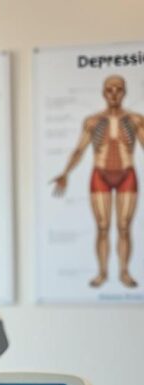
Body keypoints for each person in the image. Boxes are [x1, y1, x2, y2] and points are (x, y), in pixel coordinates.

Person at [52, 75, 144, 289]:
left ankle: (123, 272)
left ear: (124, 92)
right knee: (102, 227)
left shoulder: (136, 120)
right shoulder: (92, 121)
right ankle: (102, 272)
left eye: (118, 89)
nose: (113, 94)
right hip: (100, 174)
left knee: (124, 226)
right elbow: (79, 149)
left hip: (126, 174)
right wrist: (65, 173)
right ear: (103, 93)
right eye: (109, 89)